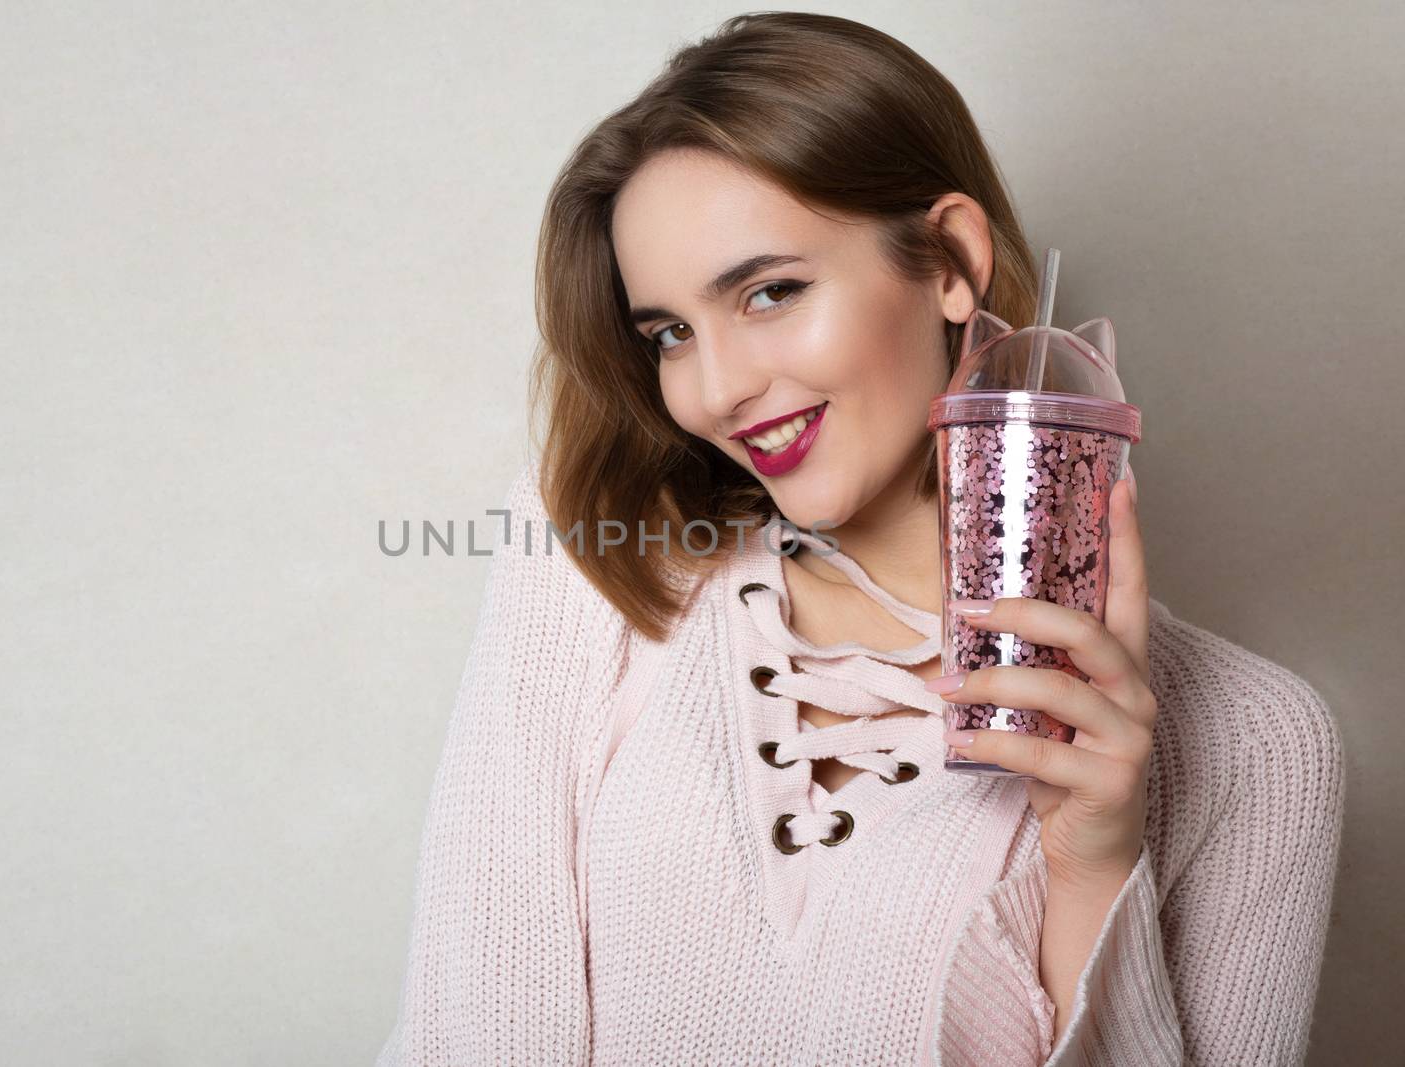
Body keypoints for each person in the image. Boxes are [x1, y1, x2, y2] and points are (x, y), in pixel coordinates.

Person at [376, 12, 1344, 1066]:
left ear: (949, 261)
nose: (714, 388)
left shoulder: (1256, 744)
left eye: (769, 290)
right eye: (670, 333)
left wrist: (1089, 862)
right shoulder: (594, 576)